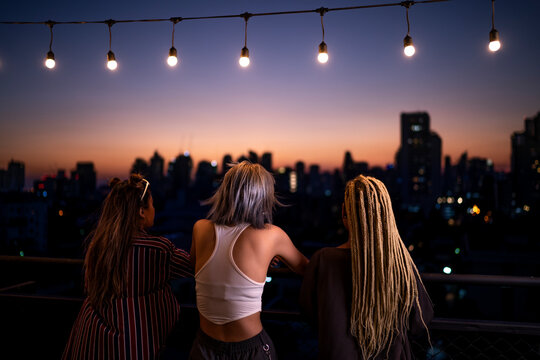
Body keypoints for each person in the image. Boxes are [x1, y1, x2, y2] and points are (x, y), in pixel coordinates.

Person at [300, 175, 433, 359]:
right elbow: (420, 322)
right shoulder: (400, 263)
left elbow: (310, 314)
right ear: (386, 214)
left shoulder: (323, 260)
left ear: (344, 213)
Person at [62, 174, 193, 359]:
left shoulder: (99, 245)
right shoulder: (158, 250)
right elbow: (195, 267)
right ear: (141, 211)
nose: (154, 210)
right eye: (152, 205)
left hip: (89, 338)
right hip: (132, 345)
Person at [189, 161, 308, 359]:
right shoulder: (271, 236)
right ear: (262, 196)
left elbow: (197, 266)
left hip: (204, 347)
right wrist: (264, 259)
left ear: (225, 191)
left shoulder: (200, 228)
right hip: (250, 349)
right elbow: (308, 269)